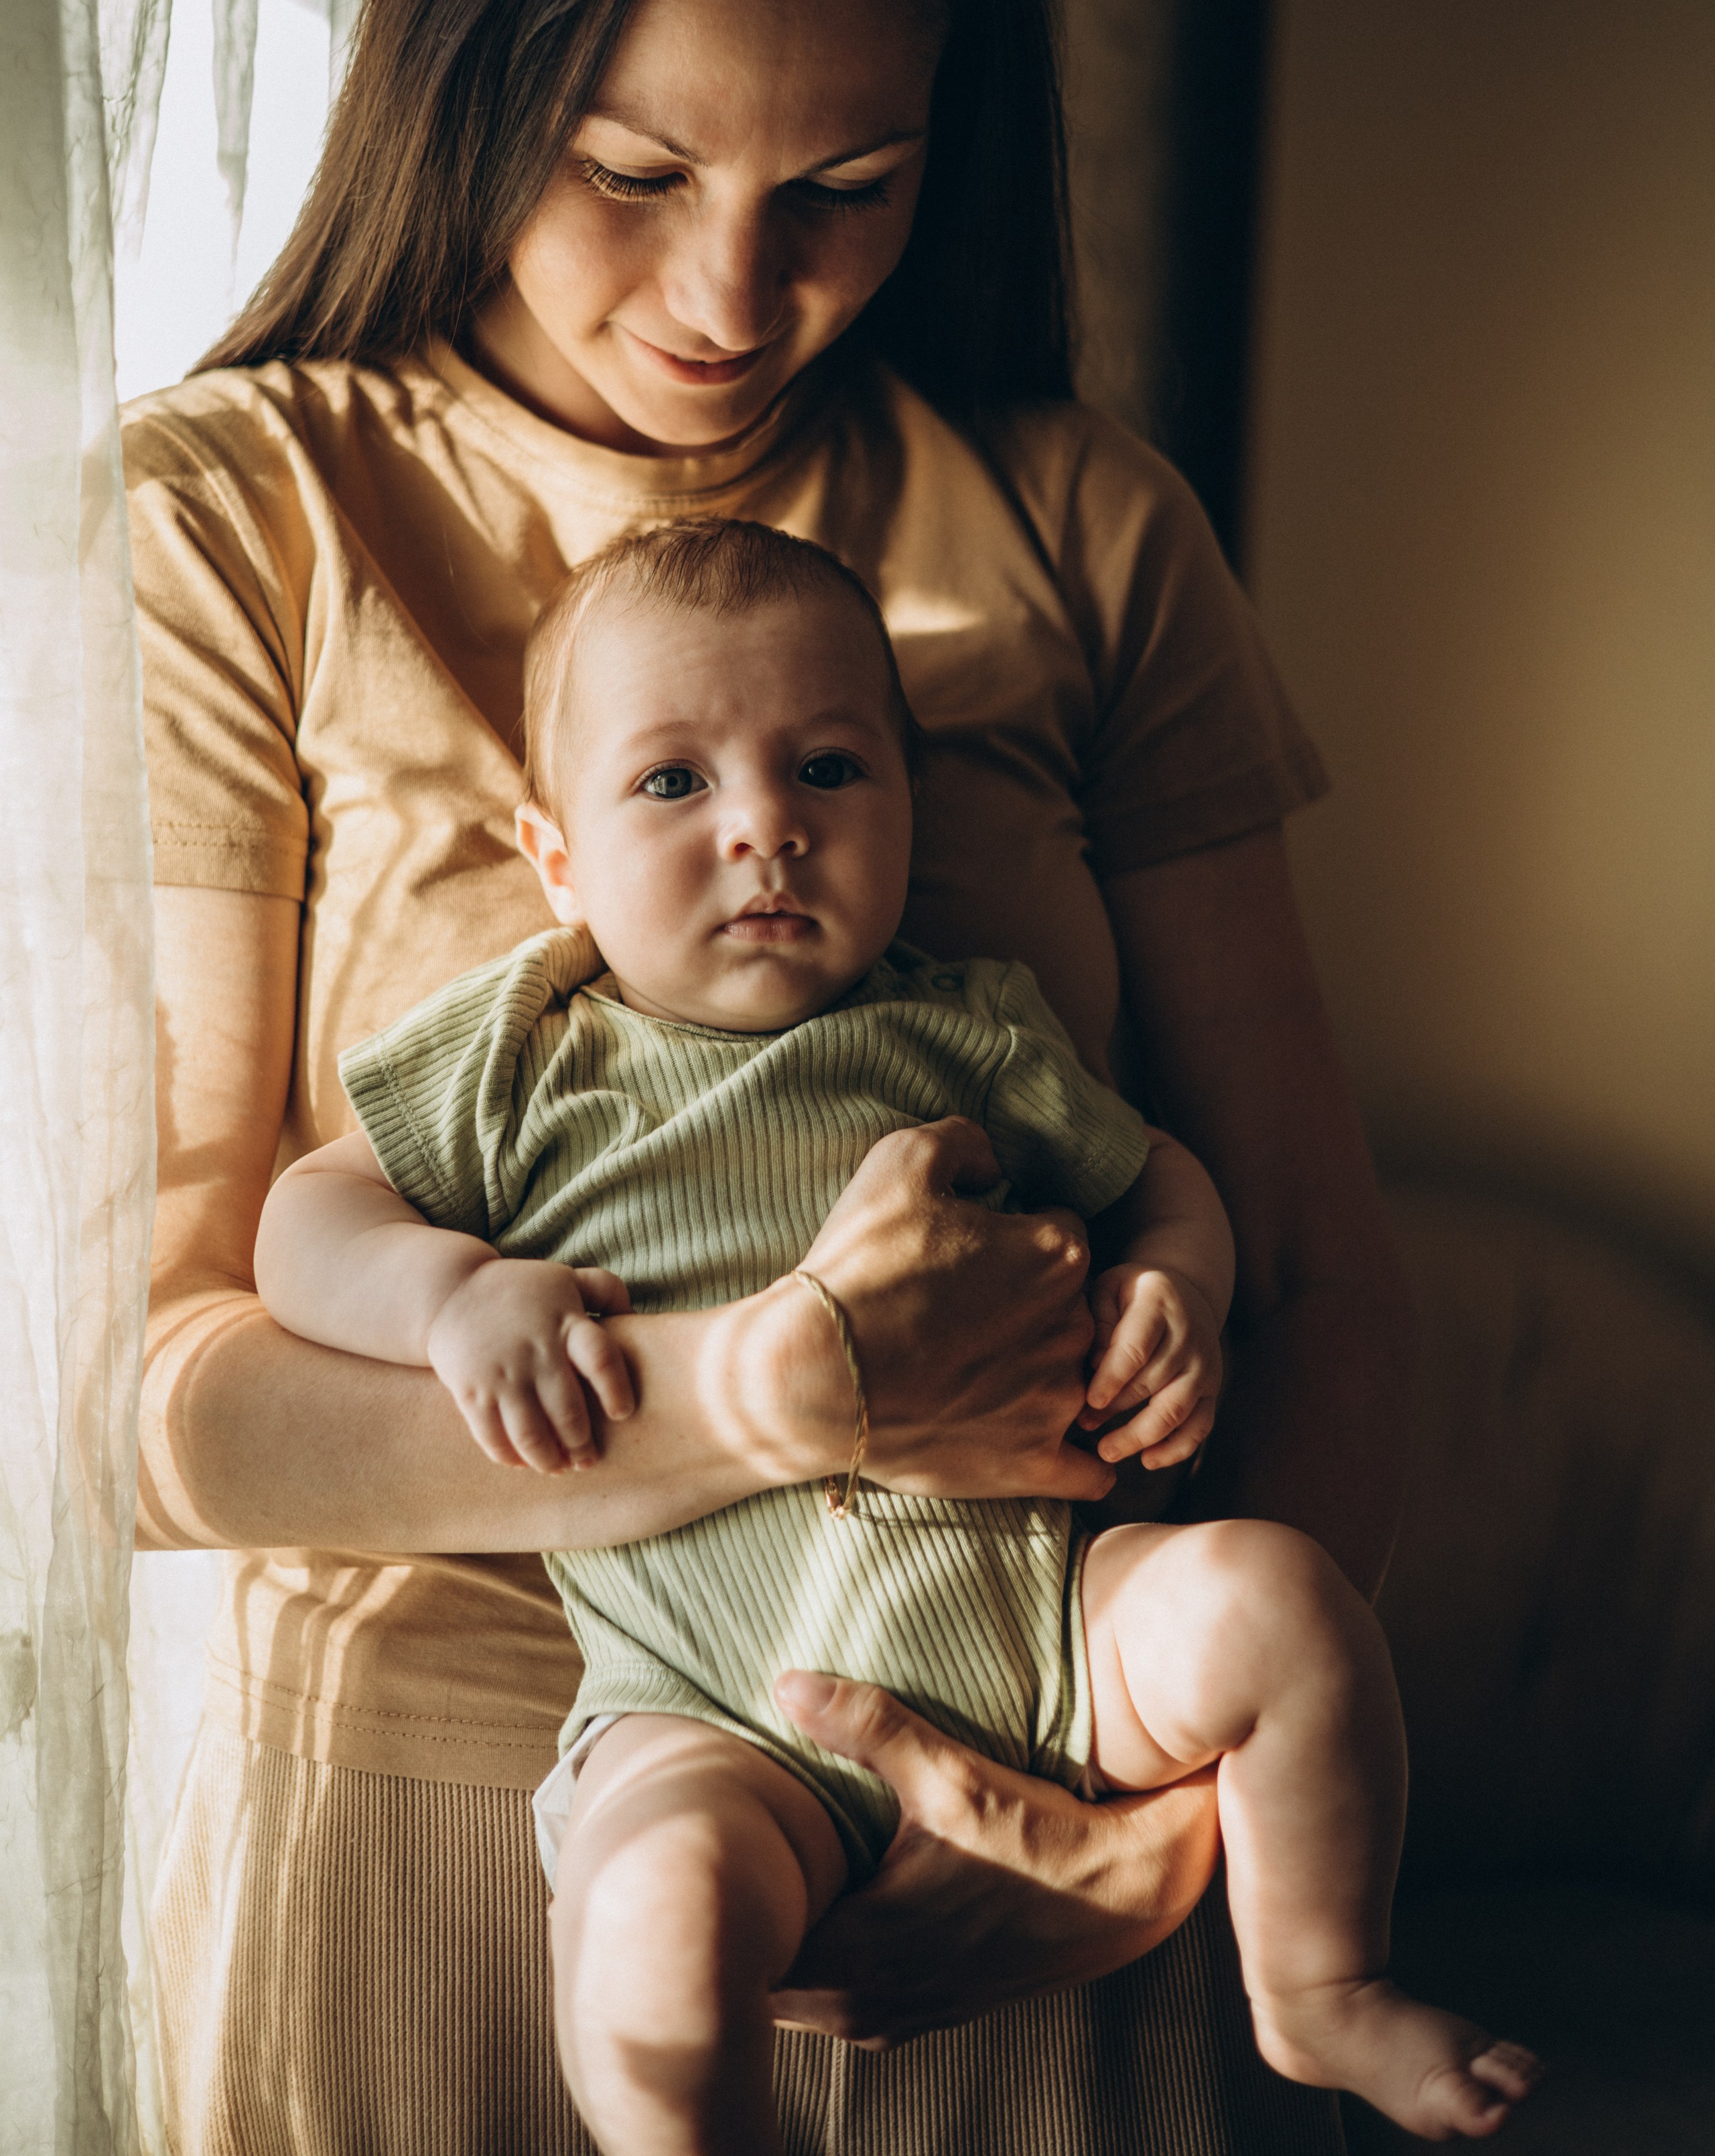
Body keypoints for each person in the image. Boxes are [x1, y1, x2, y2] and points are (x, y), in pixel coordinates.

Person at [129, 0, 1418, 2153]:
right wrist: (750, 1398)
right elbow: (158, 1392)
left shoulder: (1081, 525)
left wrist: (1156, 1850)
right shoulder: (243, 515)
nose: (735, 300)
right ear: (474, 73)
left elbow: (1313, 1259)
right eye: (632, 170)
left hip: (1033, 1777)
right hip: (445, 1840)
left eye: (849, 187)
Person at [254, 520, 1539, 2154]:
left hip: (1046, 1636)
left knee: (1279, 1605)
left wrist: (1178, 1294)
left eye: (828, 770)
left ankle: (1315, 1991)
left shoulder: (967, 1026)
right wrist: (447, 1298)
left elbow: (1173, 1185)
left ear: (906, 810)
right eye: (672, 784)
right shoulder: (524, 1055)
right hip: (713, 1699)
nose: (764, 830)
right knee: (652, 1922)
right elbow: (305, 1221)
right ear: (556, 856)